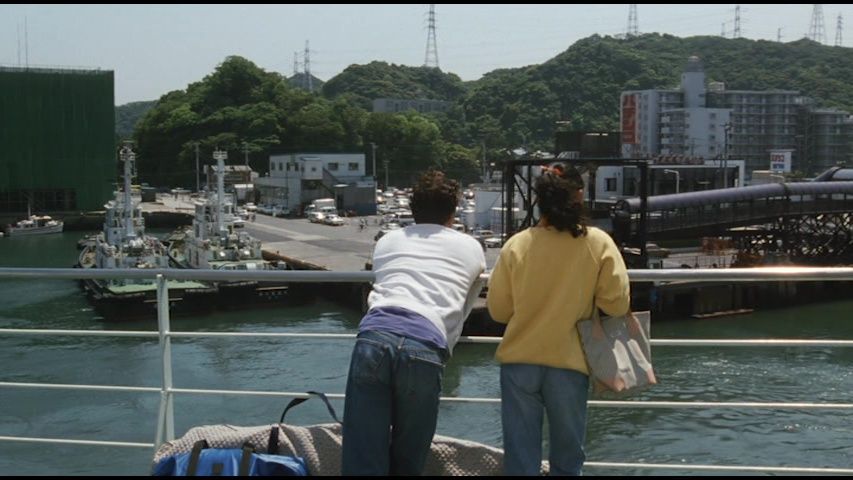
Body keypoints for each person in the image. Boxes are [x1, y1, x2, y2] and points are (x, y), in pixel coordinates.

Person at [487, 164, 631, 476]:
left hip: (519, 362)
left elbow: (498, 311)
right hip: (569, 363)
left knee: (520, 458)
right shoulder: (597, 242)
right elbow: (617, 303)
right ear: (578, 196)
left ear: (539, 201)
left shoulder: (517, 244)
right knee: (567, 459)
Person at [341, 169, 486, 476]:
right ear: (453, 211)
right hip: (425, 344)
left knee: (363, 454)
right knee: (410, 456)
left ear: (412, 208)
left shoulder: (388, 240)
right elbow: (467, 297)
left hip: (374, 337)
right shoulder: (471, 247)